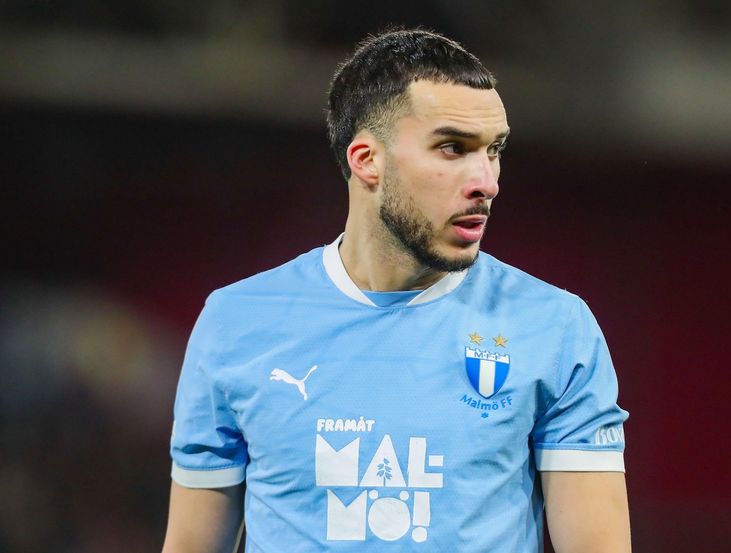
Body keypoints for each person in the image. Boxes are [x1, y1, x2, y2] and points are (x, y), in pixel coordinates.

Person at [162, 28, 631, 553]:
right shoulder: (236, 323)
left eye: (494, 149)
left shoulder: (554, 328)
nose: (487, 181)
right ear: (367, 160)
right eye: (452, 148)